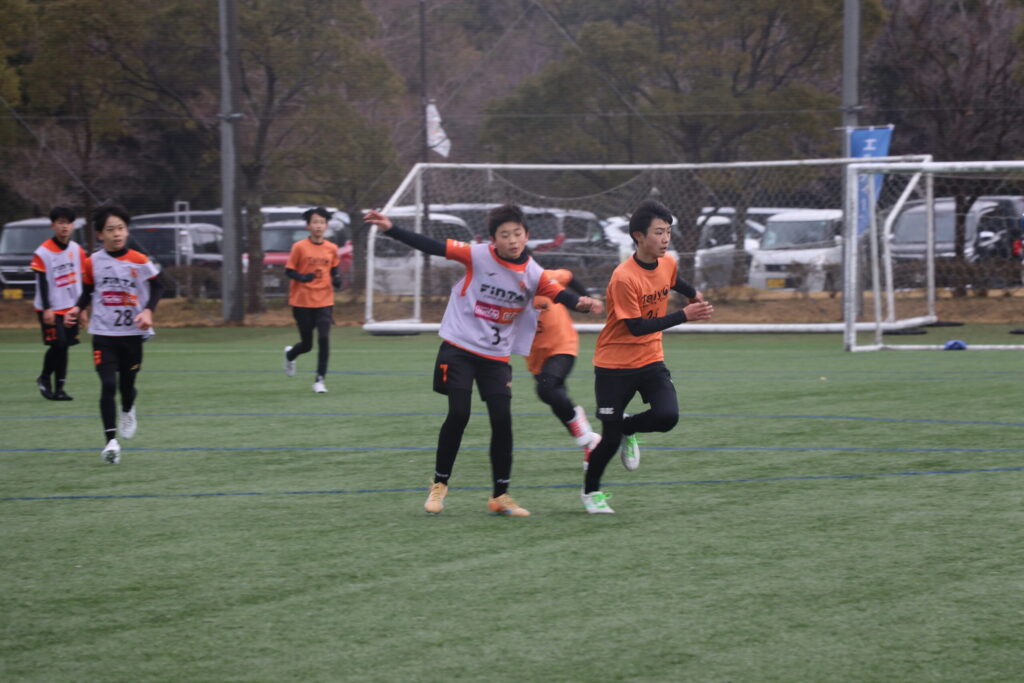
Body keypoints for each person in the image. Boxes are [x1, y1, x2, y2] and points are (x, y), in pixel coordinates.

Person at [364, 204, 603, 517]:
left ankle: (500, 495)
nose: (512, 240)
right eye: (505, 235)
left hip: (495, 357)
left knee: (502, 420)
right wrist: (391, 229)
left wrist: (581, 303)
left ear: (526, 235)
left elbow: (559, 293)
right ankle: (440, 483)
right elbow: (433, 246)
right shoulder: (476, 255)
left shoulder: (533, 272)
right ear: (493, 239)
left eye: (517, 234)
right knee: (459, 412)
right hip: (459, 348)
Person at [581, 198, 714, 514]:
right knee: (608, 441)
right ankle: (591, 493)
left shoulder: (667, 262)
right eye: (658, 232)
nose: (665, 239)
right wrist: (684, 315)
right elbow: (637, 327)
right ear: (639, 236)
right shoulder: (624, 278)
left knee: (667, 417)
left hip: (651, 359)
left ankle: (629, 426)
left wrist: (692, 293)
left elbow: (674, 280)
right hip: (614, 365)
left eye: (668, 231)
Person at [64, 204, 164, 464]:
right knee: (108, 384)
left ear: (127, 231)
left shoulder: (139, 260)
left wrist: (148, 311)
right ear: (100, 234)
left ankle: (128, 410)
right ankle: (111, 442)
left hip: (132, 334)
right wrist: (77, 308)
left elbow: (158, 286)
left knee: (127, 386)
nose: (117, 233)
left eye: (121, 228)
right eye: (110, 229)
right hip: (103, 333)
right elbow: (88, 291)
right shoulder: (92, 262)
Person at [525, 267, 601, 466]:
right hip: (535, 354)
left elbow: (569, 276)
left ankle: (584, 432)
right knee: (554, 398)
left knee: (547, 388)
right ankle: (590, 443)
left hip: (562, 344)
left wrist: (588, 298)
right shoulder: (504, 289)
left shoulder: (546, 277)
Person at [282, 207, 342, 393]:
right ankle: (290, 354)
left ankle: (320, 380)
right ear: (308, 226)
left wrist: (337, 279)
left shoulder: (332, 248)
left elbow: (334, 268)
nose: (318, 226)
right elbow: (289, 271)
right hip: (302, 301)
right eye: (315, 222)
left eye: (322, 222)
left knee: (324, 338)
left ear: (326, 226)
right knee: (307, 345)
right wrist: (302, 277)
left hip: (324, 300)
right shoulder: (299, 247)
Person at [30, 207, 88, 401]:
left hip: (71, 307)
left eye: (68, 222)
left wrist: (82, 308)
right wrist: (47, 308)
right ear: (53, 225)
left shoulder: (77, 250)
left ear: (73, 226)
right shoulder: (43, 252)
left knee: (65, 346)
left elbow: (81, 279)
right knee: (59, 344)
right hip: (50, 308)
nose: (65, 226)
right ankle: (45, 377)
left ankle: (60, 389)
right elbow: (42, 282)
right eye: (61, 222)